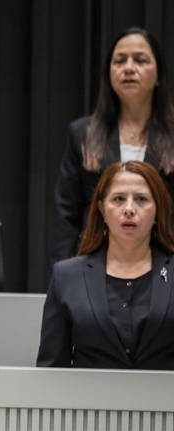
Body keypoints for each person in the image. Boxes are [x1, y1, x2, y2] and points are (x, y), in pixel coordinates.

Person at [52, 27, 174, 266]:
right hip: (96, 265)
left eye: (140, 60)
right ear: (109, 73)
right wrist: (60, 278)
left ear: (158, 74)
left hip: (165, 267)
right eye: (120, 61)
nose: (129, 68)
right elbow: (66, 216)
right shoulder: (82, 134)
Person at [37, 160, 174, 368]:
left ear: (157, 210)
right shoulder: (67, 276)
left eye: (141, 199)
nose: (129, 209)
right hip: (86, 399)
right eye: (119, 199)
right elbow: (51, 369)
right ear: (102, 209)